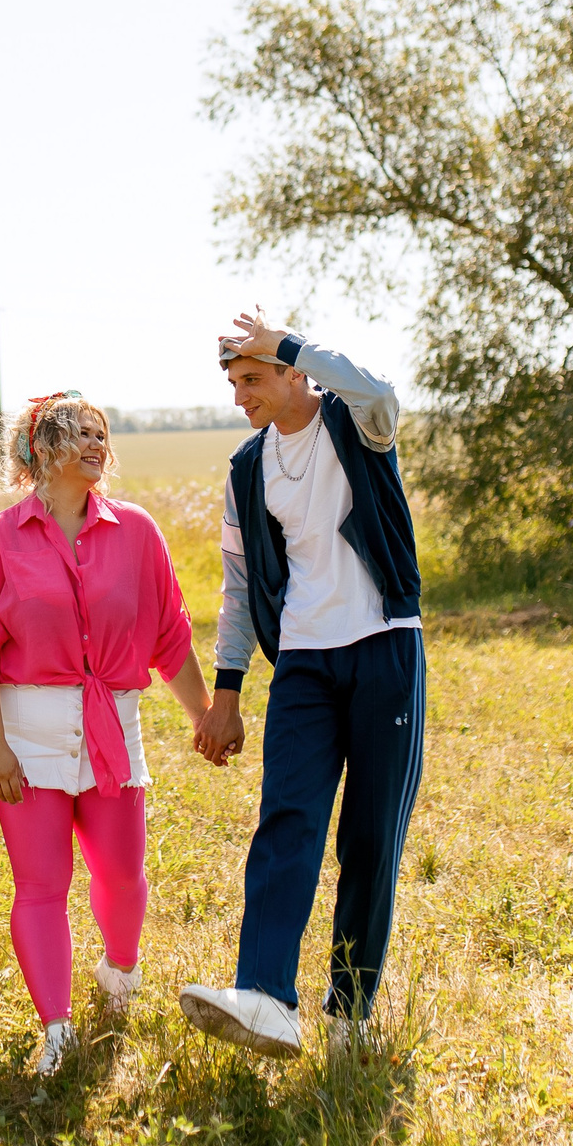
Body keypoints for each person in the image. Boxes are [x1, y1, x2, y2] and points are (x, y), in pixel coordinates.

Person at [0, 391, 219, 1076]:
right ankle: (57, 1028)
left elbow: (169, 637)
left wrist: (205, 714)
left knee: (123, 875)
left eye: (102, 433)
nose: (98, 445)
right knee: (41, 883)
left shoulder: (137, 531)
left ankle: (120, 973)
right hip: (27, 734)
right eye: (80, 433)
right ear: (40, 449)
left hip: (112, 728)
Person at [178, 314, 425, 1059]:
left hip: (384, 649)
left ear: (293, 373)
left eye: (251, 378)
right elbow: (240, 581)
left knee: (369, 838)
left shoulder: (359, 426)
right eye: (233, 382)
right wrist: (228, 688)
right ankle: (265, 996)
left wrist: (289, 340)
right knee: (286, 820)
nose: (239, 396)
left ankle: (350, 1013)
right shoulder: (245, 468)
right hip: (306, 665)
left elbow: (379, 389)